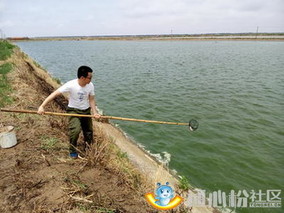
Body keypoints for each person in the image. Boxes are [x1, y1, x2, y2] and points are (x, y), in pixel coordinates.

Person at [38, 66, 101, 158]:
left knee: (88, 132)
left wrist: (95, 112)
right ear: (82, 77)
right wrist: (42, 106)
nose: (91, 79)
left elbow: (91, 99)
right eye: (89, 77)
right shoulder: (71, 85)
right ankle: (72, 150)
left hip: (86, 111)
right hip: (73, 111)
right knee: (75, 130)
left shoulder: (90, 86)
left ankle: (88, 149)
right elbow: (54, 94)